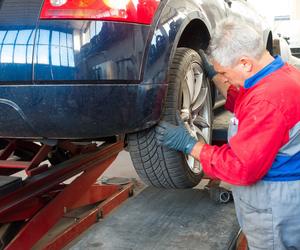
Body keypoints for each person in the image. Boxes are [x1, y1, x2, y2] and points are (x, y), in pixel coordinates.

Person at [156, 18, 300, 249]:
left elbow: (241, 167)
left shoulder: (268, 101)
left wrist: (190, 145)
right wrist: (214, 74)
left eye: (225, 72)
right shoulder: (283, 74)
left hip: (275, 202)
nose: (225, 79)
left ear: (245, 63)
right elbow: (244, 100)